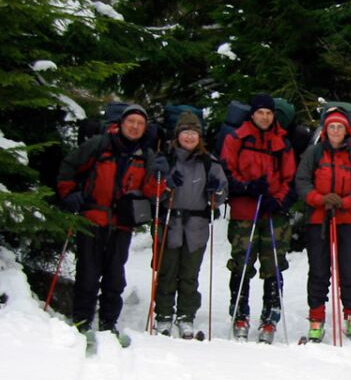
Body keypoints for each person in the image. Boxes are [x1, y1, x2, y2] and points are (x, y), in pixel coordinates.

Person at [57, 104, 166, 338]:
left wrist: (160, 176)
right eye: (131, 122)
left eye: (140, 124)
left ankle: (108, 323)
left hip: (122, 224)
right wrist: (69, 193)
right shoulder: (99, 145)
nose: (135, 127)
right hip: (92, 217)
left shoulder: (146, 156)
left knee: (115, 277)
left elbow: (154, 193)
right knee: (87, 273)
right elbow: (70, 166)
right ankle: (82, 320)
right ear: (122, 123)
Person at [220, 94, 296, 343]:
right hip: (245, 211)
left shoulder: (282, 141)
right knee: (242, 263)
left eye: (269, 113)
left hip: (273, 213)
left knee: (273, 264)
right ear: (252, 114)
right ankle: (240, 313)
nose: (265, 117)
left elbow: (289, 177)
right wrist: (246, 187)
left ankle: (270, 315)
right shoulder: (237, 138)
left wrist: (279, 199)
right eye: (260, 112)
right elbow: (226, 171)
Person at [295, 107, 351, 342]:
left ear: (346, 130)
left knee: (348, 269)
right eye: (332, 127)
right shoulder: (314, 153)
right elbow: (302, 182)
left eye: (340, 127)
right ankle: (316, 317)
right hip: (319, 219)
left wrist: (346, 201)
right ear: (325, 130)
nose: (336, 130)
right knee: (318, 269)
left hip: (348, 219)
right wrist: (320, 199)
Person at [153, 112, 228, 339]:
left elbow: (222, 193)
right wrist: (165, 186)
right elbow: (152, 190)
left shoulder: (209, 163)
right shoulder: (166, 159)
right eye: (185, 132)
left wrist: (216, 191)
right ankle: (164, 314)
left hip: (196, 225)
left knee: (189, 274)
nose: (189, 137)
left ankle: (186, 315)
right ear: (178, 135)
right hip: (170, 222)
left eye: (193, 133)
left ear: (200, 137)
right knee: (167, 271)